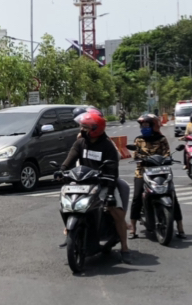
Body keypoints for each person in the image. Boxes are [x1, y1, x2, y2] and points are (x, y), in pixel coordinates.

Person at [59, 109, 133, 262]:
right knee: (66, 204)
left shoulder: (107, 146)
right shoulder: (80, 142)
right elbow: (70, 158)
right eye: (82, 127)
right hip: (82, 182)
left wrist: (111, 193)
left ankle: (125, 248)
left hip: (103, 182)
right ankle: (71, 231)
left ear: (95, 129)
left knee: (116, 212)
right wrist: (62, 171)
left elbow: (113, 172)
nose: (82, 130)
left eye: (85, 128)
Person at [128, 114, 184, 239]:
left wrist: (168, 158)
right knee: (137, 197)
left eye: (147, 125)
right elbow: (135, 155)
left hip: (161, 171)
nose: (144, 128)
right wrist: (139, 158)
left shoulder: (162, 139)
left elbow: (167, 153)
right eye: (142, 126)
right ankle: (133, 228)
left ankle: (180, 227)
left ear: (154, 126)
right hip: (143, 172)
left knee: (173, 195)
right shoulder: (138, 140)